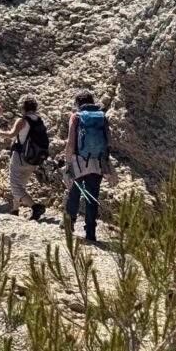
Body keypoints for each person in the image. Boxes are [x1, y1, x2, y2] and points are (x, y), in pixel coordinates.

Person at [64, 90, 118, 243]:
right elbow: (110, 141)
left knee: (74, 193)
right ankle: (91, 233)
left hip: (78, 163)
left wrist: (68, 163)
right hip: (97, 164)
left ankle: (69, 225)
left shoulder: (76, 117)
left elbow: (70, 143)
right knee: (92, 197)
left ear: (78, 104)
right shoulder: (102, 117)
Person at [0, 96, 48, 221]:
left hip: (20, 157)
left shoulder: (22, 120)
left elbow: (11, 134)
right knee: (20, 184)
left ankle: (35, 207)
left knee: (15, 185)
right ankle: (15, 210)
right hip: (34, 158)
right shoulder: (39, 119)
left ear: (22, 107)